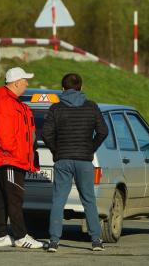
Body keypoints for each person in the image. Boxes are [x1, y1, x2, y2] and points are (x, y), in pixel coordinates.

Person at [42, 73, 108, 252]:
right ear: (81, 87)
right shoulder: (91, 107)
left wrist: (56, 151)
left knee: (58, 200)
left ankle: (54, 241)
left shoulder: (56, 108)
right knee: (88, 200)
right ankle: (96, 240)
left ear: (62, 89)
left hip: (63, 159)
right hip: (84, 160)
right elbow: (103, 131)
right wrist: (90, 149)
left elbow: (45, 133)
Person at [0, 67, 44, 249]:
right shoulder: (5, 102)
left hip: (11, 158)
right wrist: (14, 152)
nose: (27, 83)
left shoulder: (10, 101)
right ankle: (21, 236)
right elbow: (5, 135)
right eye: (25, 80)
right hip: (10, 158)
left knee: (4, 198)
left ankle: (2, 235)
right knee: (14, 197)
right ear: (16, 82)